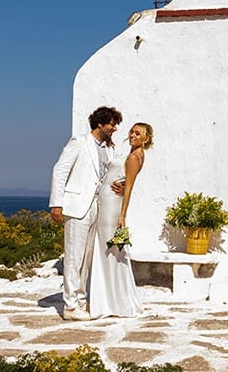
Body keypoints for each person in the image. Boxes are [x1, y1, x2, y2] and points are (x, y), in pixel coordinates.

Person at [49, 106, 123, 321]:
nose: (114, 128)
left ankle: (81, 301)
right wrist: (56, 204)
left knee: (87, 258)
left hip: (98, 207)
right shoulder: (79, 142)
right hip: (77, 206)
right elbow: (60, 170)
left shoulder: (109, 148)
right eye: (111, 123)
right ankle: (70, 306)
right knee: (74, 257)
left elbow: (108, 173)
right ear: (100, 123)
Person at [87, 122, 153, 318]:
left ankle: (111, 301)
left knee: (109, 250)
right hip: (108, 202)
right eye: (132, 131)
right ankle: (107, 298)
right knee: (108, 250)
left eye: (138, 133)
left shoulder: (134, 156)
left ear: (146, 139)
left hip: (113, 207)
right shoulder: (135, 154)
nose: (132, 135)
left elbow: (129, 187)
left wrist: (122, 215)